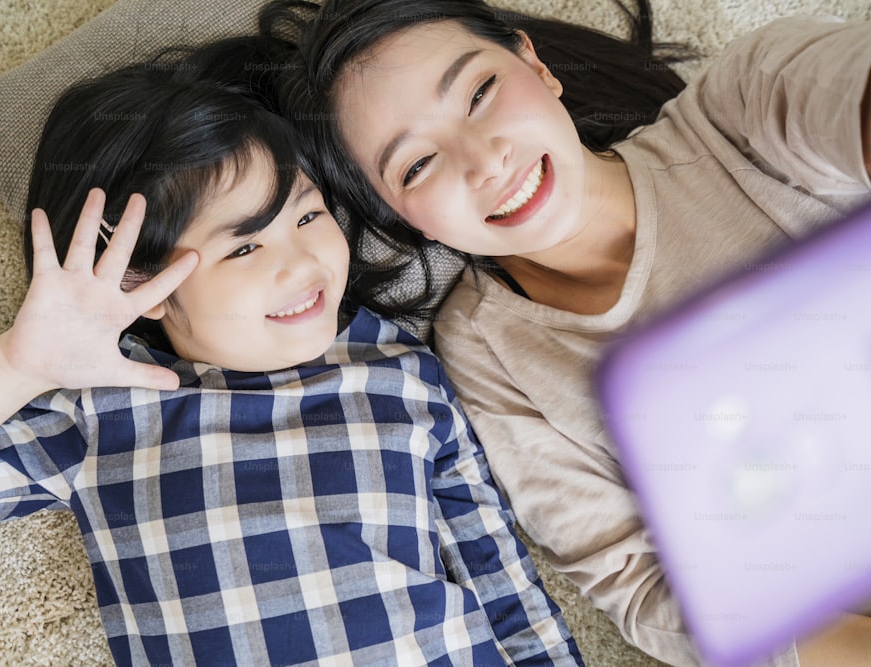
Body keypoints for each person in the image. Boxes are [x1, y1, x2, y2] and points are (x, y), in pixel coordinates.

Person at [0, 37, 584, 667]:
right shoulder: (107, 410)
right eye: (245, 245)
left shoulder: (398, 369)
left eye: (307, 213)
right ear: (139, 284)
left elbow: (500, 576)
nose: (302, 261)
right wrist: (17, 364)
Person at [261, 0, 871, 665]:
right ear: (403, 220)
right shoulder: (489, 352)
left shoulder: (746, 108)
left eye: (480, 92)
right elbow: (653, 592)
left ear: (534, 63)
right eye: (415, 165)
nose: (485, 160)